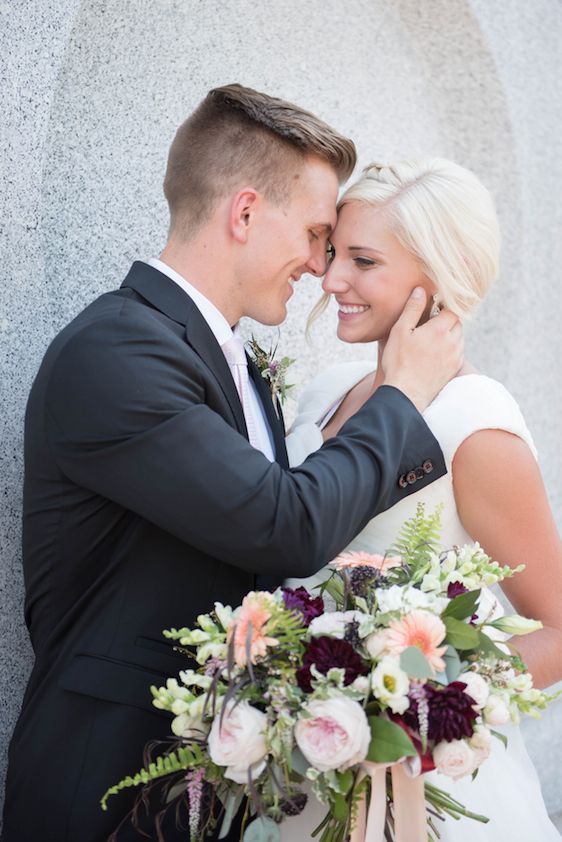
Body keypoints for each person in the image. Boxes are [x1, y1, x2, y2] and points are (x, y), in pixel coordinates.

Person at [1, 89, 463, 842]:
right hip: (103, 794)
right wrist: (403, 392)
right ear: (244, 214)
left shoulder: (238, 363)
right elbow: (283, 524)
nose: (320, 266)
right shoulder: (115, 353)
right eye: (316, 235)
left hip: (217, 793)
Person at [285, 157, 562, 841]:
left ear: (432, 281)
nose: (331, 279)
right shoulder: (326, 391)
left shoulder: (476, 421)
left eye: (363, 260)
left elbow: (558, 625)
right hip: (299, 766)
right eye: (333, 253)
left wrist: (413, 702)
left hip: (427, 787)